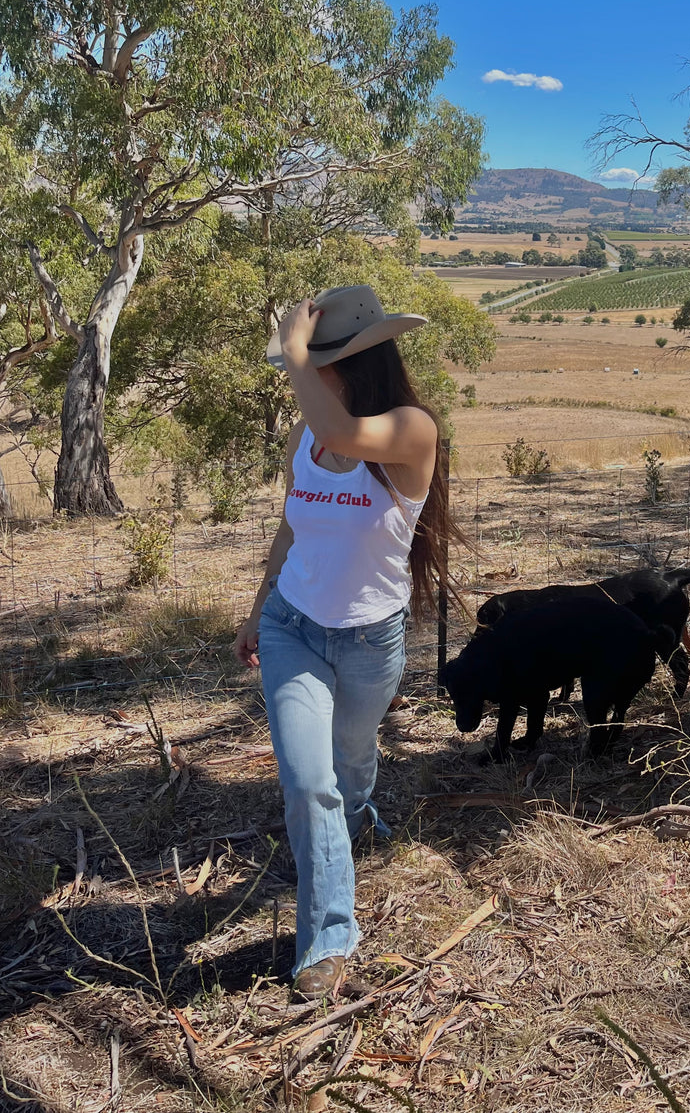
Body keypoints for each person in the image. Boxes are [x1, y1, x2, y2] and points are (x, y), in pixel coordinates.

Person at [234, 285, 453, 999]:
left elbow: (345, 431)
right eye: (308, 364)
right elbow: (293, 521)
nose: (307, 376)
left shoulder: (411, 430)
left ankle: (353, 827)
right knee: (308, 780)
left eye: (319, 364)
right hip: (292, 625)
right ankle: (329, 938)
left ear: (356, 365)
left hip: (368, 640)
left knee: (351, 764)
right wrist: (258, 606)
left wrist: (294, 354)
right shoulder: (308, 433)